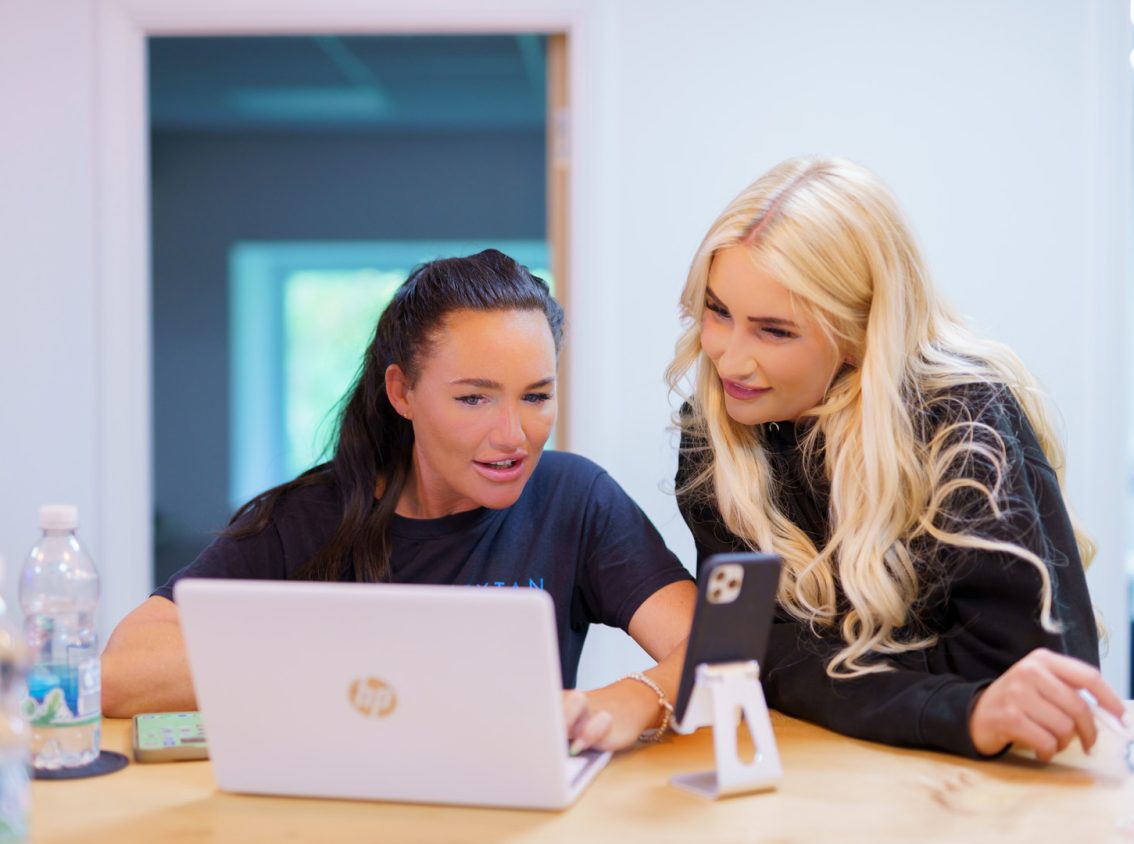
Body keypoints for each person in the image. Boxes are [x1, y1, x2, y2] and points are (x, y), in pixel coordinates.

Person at [103, 249, 695, 753]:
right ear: (402, 392)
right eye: (473, 399)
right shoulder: (308, 516)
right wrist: (347, 657)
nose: (513, 435)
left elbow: (715, 646)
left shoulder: (575, 499)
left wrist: (629, 700)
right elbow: (124, 672)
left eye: (536, 395)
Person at [668, 156, 1125, 760]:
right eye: (718, 311)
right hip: (821, 769)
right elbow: (748, 651)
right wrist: (945, 693)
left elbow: (1033, 678)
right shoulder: (714, 432)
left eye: (774, 330)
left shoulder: (962, 416)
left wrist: (818, 668)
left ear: (861, 334)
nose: (728, 360)